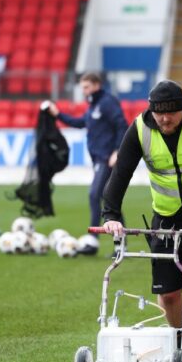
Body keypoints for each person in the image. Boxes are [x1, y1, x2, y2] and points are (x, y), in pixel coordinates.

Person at [101, 80, 182, 358]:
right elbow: (121, 172)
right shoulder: (140, 128)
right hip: (166, 217)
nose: (164, 119)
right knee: (168, 294)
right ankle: (178, 343)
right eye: (158, 113)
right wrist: (111, 214)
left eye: (170, 113)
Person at [47, 73, 128, 250]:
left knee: (95, 195)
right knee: (108, 199)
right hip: (99, 159)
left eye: (86, 87)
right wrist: (58, 114)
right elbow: (80, 122)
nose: (83, 91)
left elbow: (122, 125)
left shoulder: (107, 102)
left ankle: (92, 240)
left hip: (107, 158)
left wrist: (117, 151)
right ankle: (121, 245)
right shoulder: (93, 105)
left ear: (96, 85)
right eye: (82, 87)